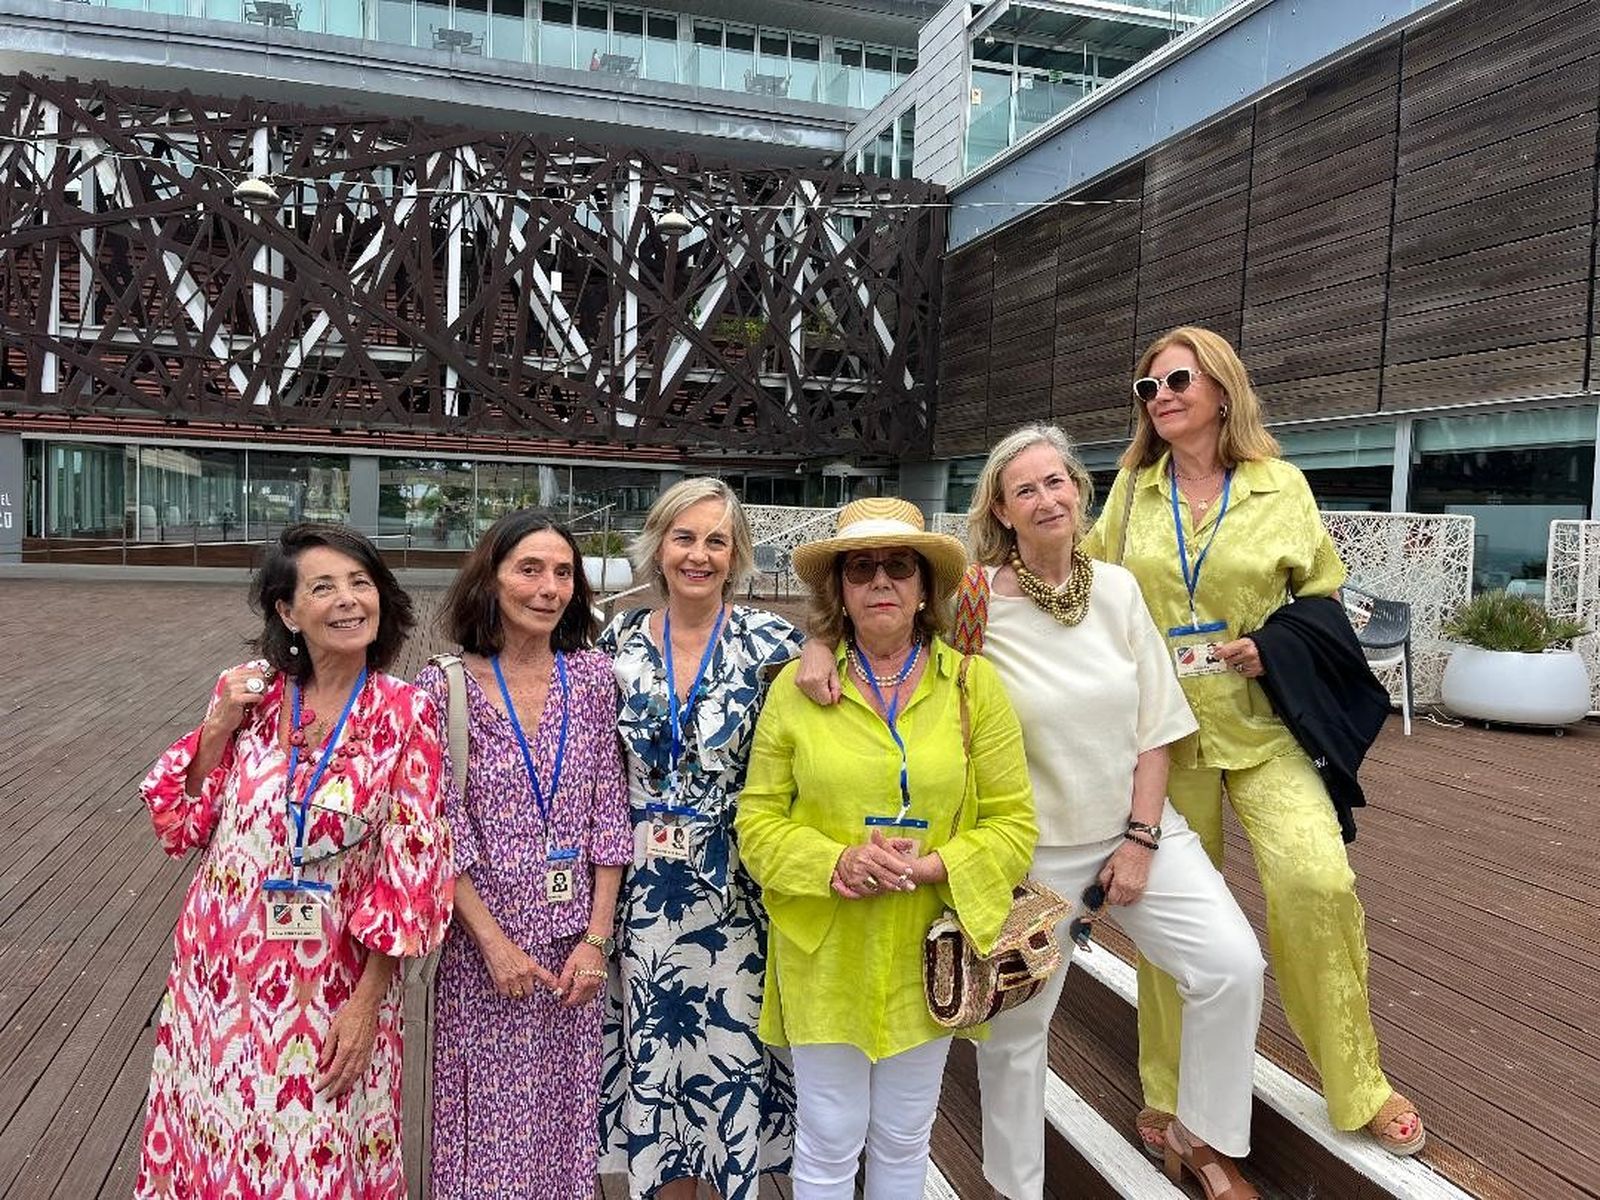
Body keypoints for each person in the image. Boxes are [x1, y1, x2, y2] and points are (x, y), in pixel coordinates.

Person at [1081, 325, 1426, 1157]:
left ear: (1221, 390)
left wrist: (1273, 646)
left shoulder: (1282, 486)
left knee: (1316, 881)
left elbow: (1324, 599)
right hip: (1163, 738)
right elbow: (1083, 583)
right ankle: (1167, 1087)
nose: (1160, 397)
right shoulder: (1130, 492)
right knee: (1173, 918)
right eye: (1148, 388)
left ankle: (1358, 1082)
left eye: (1177, 381)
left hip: (1264, 725)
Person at [962, 425, 1263, 1200]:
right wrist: (819, 647)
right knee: (1016, 1033)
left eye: (1056, 481)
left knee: (1231, 965)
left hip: (1138, 831)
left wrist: (1141, 837)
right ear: (1001, 510)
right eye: (1025, 489)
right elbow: (889, 644)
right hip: (1031, 855)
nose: (1046, 499)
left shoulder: (1119, 589)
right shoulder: (972, 601)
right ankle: (1015, 1189)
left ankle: (1199, 1137)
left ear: (1078, 489)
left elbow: (1154, 726)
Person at [135, 523, 453, 1200]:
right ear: (287, 611)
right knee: (217, 1139)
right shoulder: (251, 695)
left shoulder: (406, 712)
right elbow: (182, 824)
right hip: (218, 980)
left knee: (315, 1154)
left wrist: (368, 1004)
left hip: (329, 985)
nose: (348, 600)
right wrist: (218, 725)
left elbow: (411, 868)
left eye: (360, 582)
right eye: (324, 587)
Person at [737, 497, 1037, 1200]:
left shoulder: (973, 686)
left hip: (928, 947)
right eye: (860, 568)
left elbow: (1014, 823)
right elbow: (758, 823)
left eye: (899, 566)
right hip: (827, 949)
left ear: (924, 587)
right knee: (828, 1136)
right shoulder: (796, 690)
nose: (880, 581)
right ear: (839, 590)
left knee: (905, 1137)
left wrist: (935, 866)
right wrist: (835, 861)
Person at [596, 477, 807, 1200]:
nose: (699, 554)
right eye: (683, 537)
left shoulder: (775, 644)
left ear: (736, 554)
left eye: (717, 540)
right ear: (657, 546)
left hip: (737, 897)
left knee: (728, 1058)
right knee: (657, 1062)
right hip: (644, 896)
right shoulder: (617, 641)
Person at [417, 511, 631, 1199]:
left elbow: (608, 813)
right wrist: (494, 944)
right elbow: (438, 829)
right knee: (486, 1124)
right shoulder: (446, 688)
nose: (549, 588)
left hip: (573, 954)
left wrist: (596, 940)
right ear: (491, 578)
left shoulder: (592, 677)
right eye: (529, 569)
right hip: (483, 953)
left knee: (565, 1123)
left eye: (563, 573)